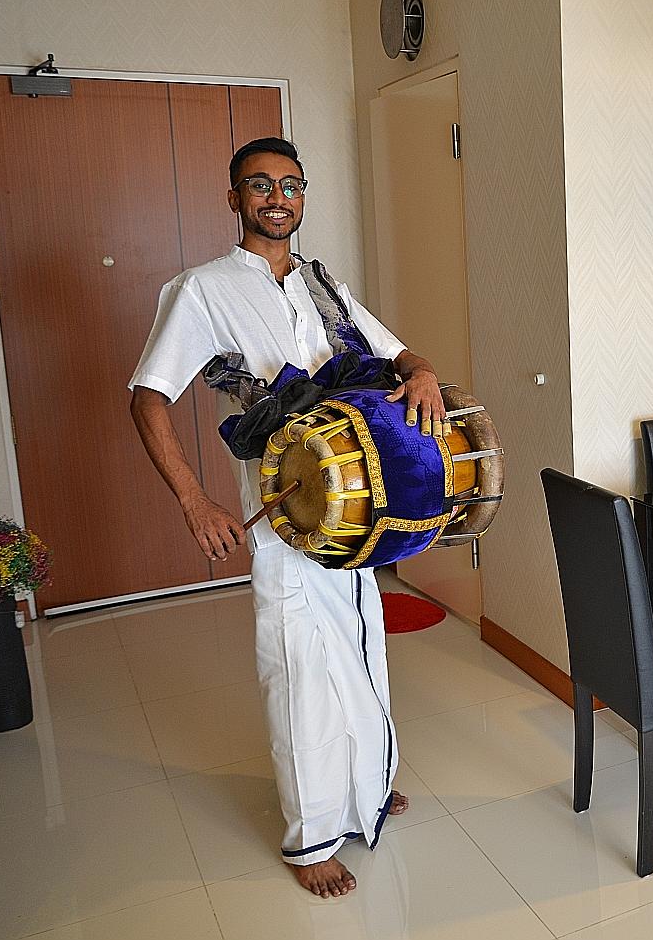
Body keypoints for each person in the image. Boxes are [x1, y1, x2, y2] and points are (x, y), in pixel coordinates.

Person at [128, 137, 446, 898]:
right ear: (233, 197)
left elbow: (396, 352)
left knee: (363, 646)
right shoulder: (201, 289)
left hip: (357, 510)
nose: (278, 197)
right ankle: (311, 839)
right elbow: (146, 397)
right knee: (300, 665)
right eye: (260, 185)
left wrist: (423, 370)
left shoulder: (321, 283)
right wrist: (191, 497)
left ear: (303, 195)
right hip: (282, 513)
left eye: (290, 184)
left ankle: (367, 787)